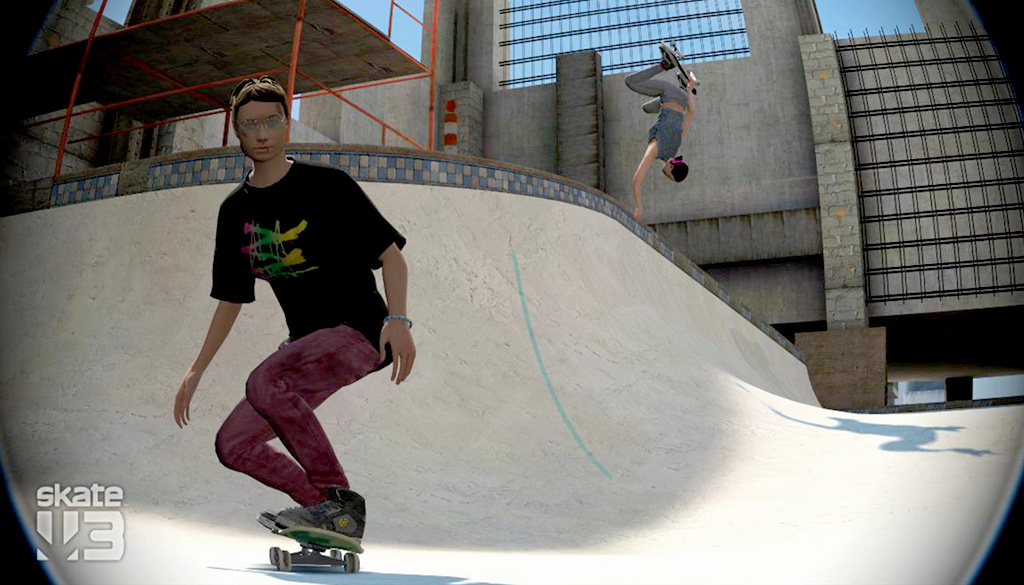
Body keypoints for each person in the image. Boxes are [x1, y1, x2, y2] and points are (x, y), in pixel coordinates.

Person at [173, 76, 415, 546]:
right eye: (249, 125)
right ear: (236, 132)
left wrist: (398, 320)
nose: (261, 134)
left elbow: (391, 257)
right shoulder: (234, 213)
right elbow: (231, 298)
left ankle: (338, 501)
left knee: (265, 381)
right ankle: (325, 512)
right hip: (305, 345)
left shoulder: (328, 186)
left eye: (271, 122)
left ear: (287, 125)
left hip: (360, 330)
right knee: (233, 443)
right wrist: (196, 368)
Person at [626, 41, 698, 224]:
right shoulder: (656, 149)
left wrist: (689, 91)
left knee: (646, 108)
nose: (667, 177)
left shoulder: (676, 145)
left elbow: (691, 112)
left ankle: (683, 85)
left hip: (683, 99)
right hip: (668, 93)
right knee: (631, 82)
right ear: (671, 168)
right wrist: (639, 207)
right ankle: (665, 64)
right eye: (671, 177)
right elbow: (637, 180)